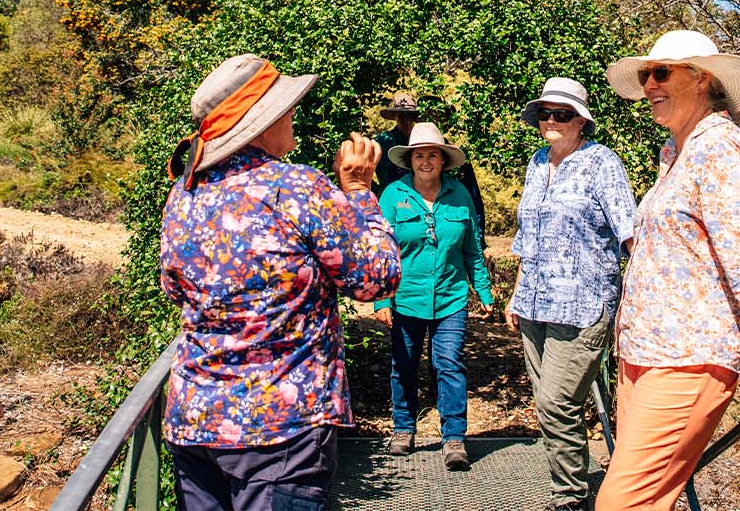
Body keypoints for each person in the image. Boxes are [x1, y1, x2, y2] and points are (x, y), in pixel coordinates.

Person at [160, 54, 401, 511]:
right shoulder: (296, 188)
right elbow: (377, 279)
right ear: (262, 122)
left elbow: (174, 288)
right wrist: (358, 195)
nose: (293, 114)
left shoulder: (183, 193)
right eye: (285, 108)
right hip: (279, 430)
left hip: (195, 419)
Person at [593, 30, 740, 511]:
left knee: (620, 502)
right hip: (643, 352)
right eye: (646, 74)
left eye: (662, 72)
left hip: (687, 356)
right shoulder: (676, 152)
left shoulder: (719, 147)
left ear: (702, 78)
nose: (649, 83)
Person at [508, 77, 637, 511]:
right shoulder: (536, 161)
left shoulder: (602, 163)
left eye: (562, 114)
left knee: (557, 403)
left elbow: (630, 234)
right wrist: (514, 293)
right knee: (550, 409)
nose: (551, 120)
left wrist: (639, 303)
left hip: (584, 305)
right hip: (533, 303)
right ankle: (567, 485)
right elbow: (528, 235)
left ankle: (570, 498)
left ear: (581, 121)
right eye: (545, 112)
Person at [374, 121, 494, 471]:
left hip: (450, 297)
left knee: (449, 364)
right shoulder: (393, 195)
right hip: (405, 297)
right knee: (404, 365)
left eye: (433, 155)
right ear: (410, 161)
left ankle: (454, 437)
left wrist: (483, 292)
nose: (426, 161)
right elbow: (382, 251)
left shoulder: (459, 196)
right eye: (419, 156)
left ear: (443, 161)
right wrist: (382, 299)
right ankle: (403, 429)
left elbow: (472, 248)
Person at [373, 91, 487, 235]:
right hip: (399, 213)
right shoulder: (383, 142)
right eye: (401, 115)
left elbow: (472, 197)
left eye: (409, 116)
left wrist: (479, 235)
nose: (405, 120)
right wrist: (377, 191)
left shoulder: (448, 151)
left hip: (442, 216)